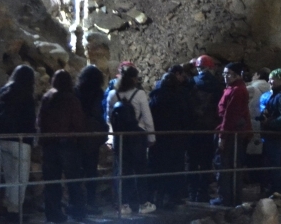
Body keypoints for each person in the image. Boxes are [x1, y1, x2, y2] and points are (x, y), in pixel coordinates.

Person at [36, 69, 88, 224]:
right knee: (73, 179)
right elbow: (78, 123)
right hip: (67, 143)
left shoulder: (47, 97)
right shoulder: (71, 99)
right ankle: (77, 210)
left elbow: (40, 121)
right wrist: (79, 139)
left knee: (52, 181)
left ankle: (53, 213)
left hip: (49, 144)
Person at [106, 62, 156, 214]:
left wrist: (110, 139)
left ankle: (123, 205)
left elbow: (109, 119)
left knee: (122, 171)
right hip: (137, 137)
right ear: (134, 79)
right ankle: (143, 204)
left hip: (120, 137)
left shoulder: (112, 94)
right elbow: (147, 117)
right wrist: (151, 137)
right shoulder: (139, 94)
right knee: (140, 170)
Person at [150, 64, 197, 203]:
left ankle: (158, 196)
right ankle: (174, 196)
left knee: (159, 167)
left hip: (160, 138)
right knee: (175, 167)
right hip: (176, 138)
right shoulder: (181, 97)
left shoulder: (156, 96)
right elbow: (188, 116)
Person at [0, 64, 37, 217]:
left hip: (3, 139)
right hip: (20, 141)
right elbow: (30, 120)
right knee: (20, 178)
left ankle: (7, 206)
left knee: (9, 177)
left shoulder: (4, 92)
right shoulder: (26, 95)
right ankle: (14, 211)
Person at [213, 62, 252, 206]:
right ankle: (230, 196)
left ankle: (227, 198)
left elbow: (230, 115)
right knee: (229, 164)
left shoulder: (237, 91)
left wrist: (222, 136)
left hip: (231, 133)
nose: (225, 76)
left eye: (228, 74)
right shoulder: (234, 89)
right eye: (224, 74)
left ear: (236, 75)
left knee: (225, 165)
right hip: (231, 130)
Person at [190, 56, 224, 202]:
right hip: (210, 128)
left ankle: (192, 192)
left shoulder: (192, 82)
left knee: (192, 161)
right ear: (211, 68)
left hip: (193, 127)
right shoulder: (217, 85)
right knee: (206, 162)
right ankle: (202, 193)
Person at [74, 64, 108, 210]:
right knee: (91, 171)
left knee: (77, 172)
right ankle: (91, 203)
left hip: (78, 135)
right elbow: (100, 113)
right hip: (92, 137)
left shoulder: (76, 92)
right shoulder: (98, 93)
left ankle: (77, 204)